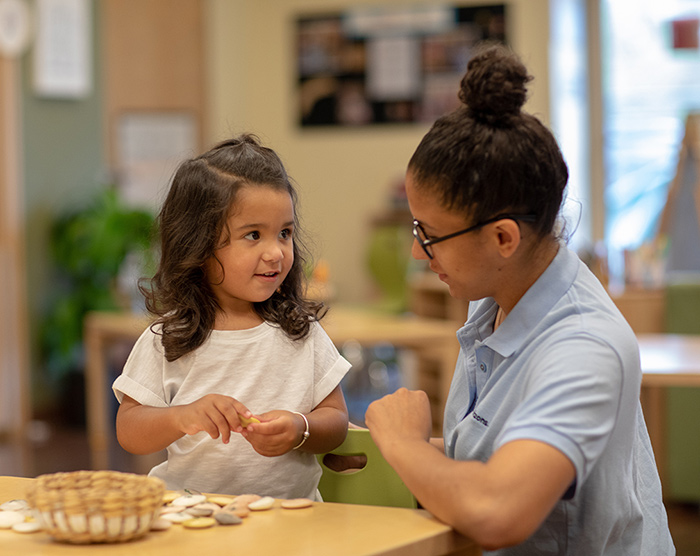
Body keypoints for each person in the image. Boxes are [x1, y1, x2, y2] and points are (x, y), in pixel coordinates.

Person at [364, 45, 675, 555]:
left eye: (430, 235)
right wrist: (374, 447)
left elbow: (498, 511)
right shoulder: (493, 300)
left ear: (503, 238)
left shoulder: (585, 347)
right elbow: (492, 460)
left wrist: (403, 443)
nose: (419, 256)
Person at [113, 134, 351, 500]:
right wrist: (182, 416)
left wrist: (301, 429)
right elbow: (130, 429)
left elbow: (336, 421)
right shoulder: (171, 336)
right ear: (199, 245)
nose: (276, 252)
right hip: (194, 520)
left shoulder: (300, 331)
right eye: (253, 235)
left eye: (284, 233)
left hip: (292, 522)